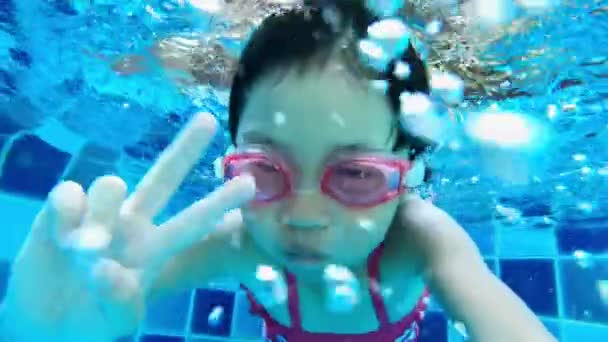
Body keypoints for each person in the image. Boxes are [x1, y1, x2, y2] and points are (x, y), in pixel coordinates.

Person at [1, 1, 557, 341]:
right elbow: (117, 291)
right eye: (265, 169)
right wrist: (36, 334)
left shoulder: (422, 239)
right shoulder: (243, 240)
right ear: (233, 158)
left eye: (358, 174)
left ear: (409, 170)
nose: (305, 215)